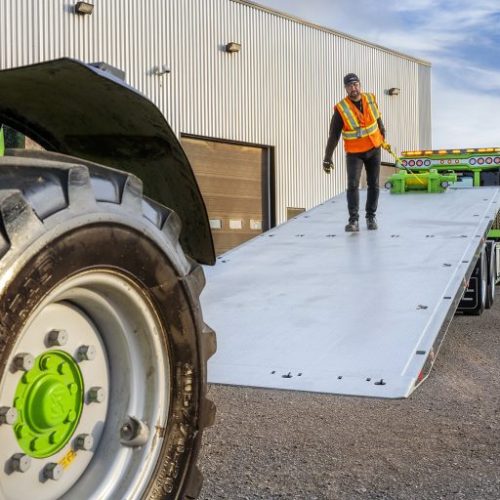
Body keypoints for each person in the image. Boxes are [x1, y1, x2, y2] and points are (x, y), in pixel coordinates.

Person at [323, 73, 386, 232]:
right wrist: (327, 157)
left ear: (360, 85)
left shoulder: (370, 99)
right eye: (350, 85)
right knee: (352, 185)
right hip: (354, 153)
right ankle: (354, 221)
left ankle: (371, 217)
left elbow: (378, 121)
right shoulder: (341, 109)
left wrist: (382, 137)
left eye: (356, 84)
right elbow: (333, 135)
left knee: (374, 184)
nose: (354, 88)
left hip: (374, 148)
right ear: (346, 88)